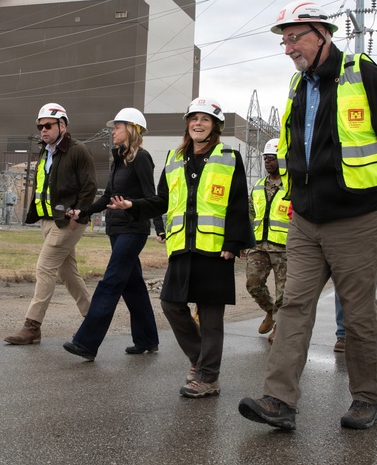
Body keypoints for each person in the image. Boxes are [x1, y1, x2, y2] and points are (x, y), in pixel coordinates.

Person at [238, 0, 377, 431]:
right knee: (294, 304)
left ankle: (366, 399)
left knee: (357, 311)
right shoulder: (298, 84)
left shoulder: (361, 72)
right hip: (305, 219)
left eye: (294, 38)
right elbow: (293, 147)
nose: (287, 49)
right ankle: (279, 400)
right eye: (283, 41)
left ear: (322, 35)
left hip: (357, 216)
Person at [108, 97, 254, 399]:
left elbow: (238, 202)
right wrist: (134, 205)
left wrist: (233, 243)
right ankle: (201, 361)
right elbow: (162, 200)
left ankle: (208, 378)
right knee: (170, 305)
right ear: (187, 124)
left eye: (205, 119)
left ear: (215, 126)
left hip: (215, 248)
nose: (198, 124)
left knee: (211, 317)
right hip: (182, 246)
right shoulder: (175, 158)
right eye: (193, 119)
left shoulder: (229, 157)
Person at [62, 108, 163, 360]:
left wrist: (154, 223)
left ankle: (86, 343)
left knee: (110, 282)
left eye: (117, 127)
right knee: (133, 286)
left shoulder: (142, 158)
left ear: (132, 129)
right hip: (116, 229)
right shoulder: (118, 159)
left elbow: (151, 198)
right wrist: (83, 211)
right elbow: (108, 196)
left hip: (133, 229)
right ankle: (147, 339)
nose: (113, 132)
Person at [4, 103, 97, 346]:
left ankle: (32, 326)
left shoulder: (78, 151)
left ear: (62, 125)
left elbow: (89, 187)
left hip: (68, 222)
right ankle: (94, 320)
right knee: (68, 273)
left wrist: (79, 214)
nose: (43, 130)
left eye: (48, 125)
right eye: (40, 126)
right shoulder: (45, 152)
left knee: (44, 268)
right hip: (48, 220)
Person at [245, 138, 289, 344]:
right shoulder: (257, 186)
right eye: (265, 158)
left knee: (284, 291)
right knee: (253, 284)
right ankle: (270, 312)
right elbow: (250, 213)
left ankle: (280, 325)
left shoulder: (292, 186)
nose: (267, 162)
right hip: (258, 245)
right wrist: (245, 240)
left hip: (284, 247)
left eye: (272, 158)